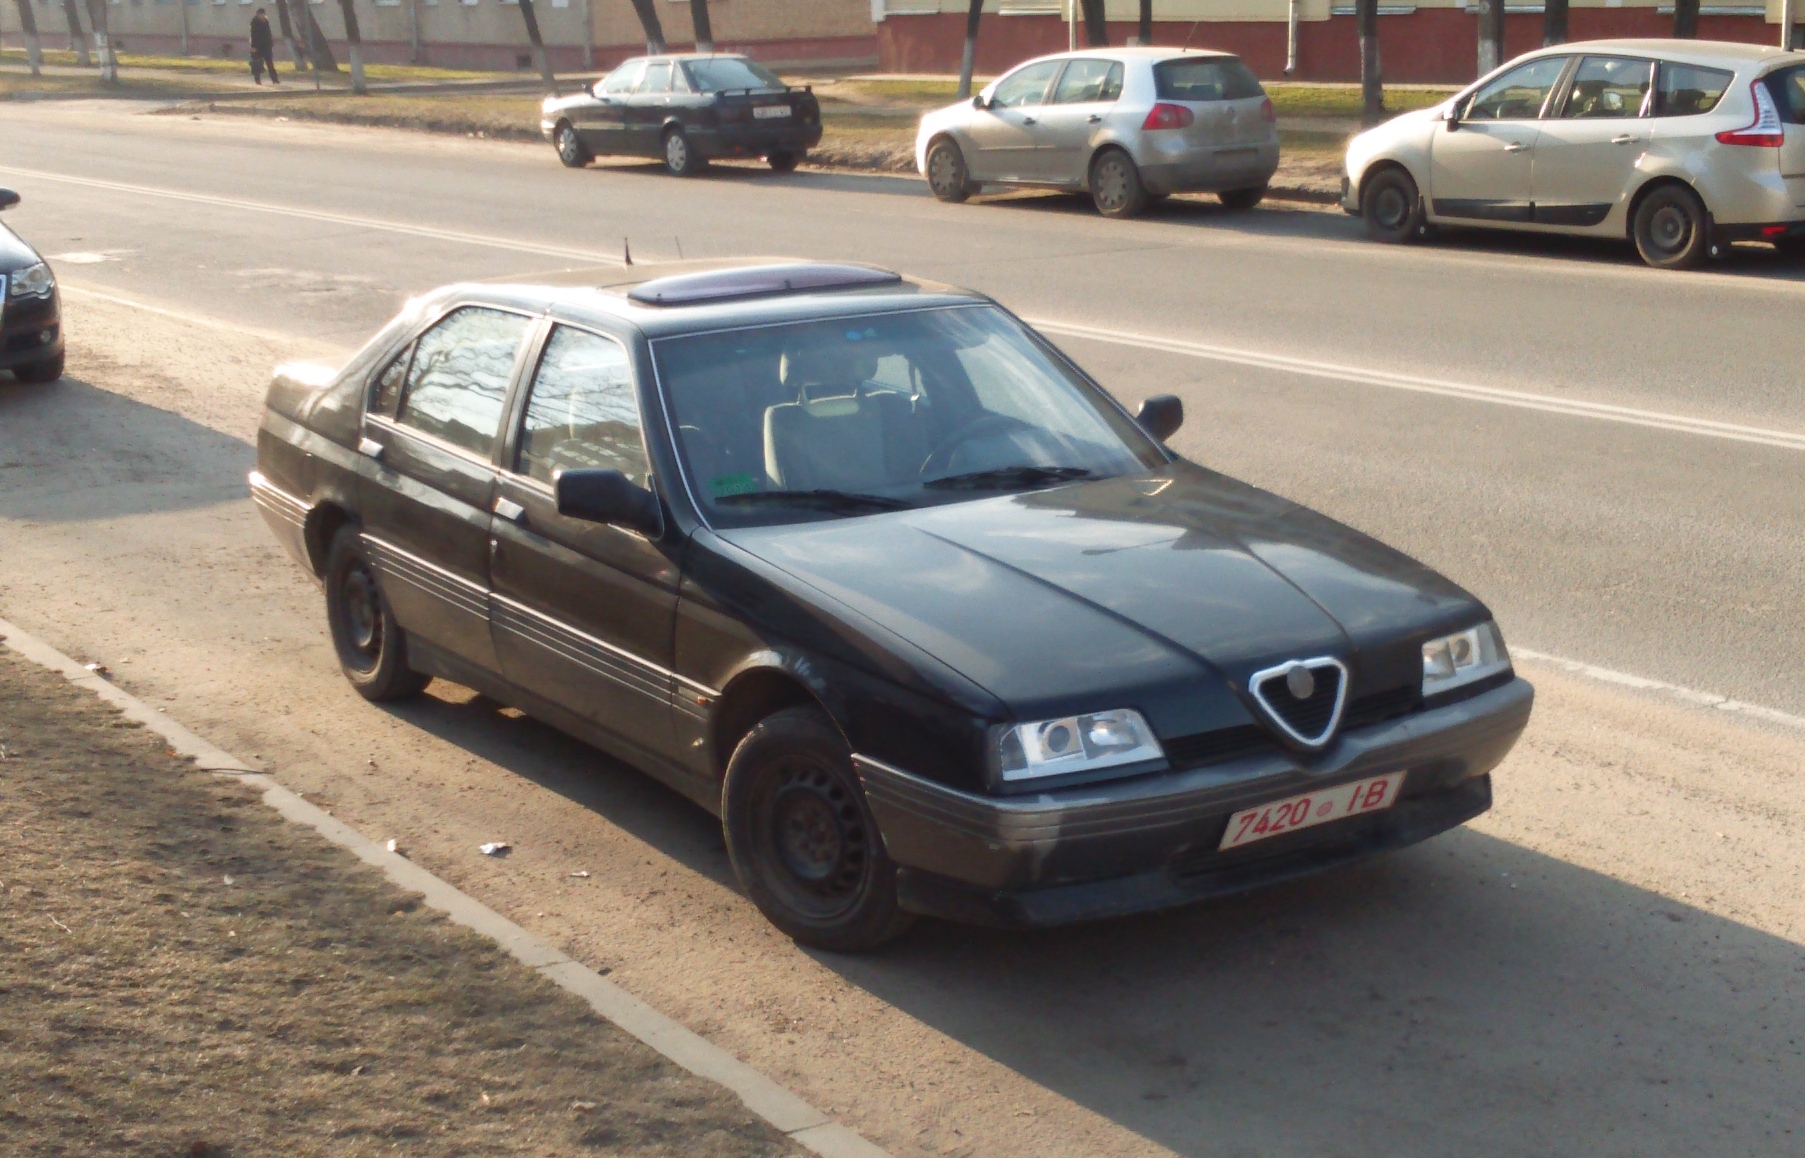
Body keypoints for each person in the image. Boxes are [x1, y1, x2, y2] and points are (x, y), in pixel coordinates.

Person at [249, 9, 279, 86]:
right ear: (258, 15)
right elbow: (253, 35)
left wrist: (271, 43)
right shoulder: (254, 23)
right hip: (258, 46)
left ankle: (275, 79)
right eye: (261, 14)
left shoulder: (266, 22)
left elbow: (269, 33)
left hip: (267, 46)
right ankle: (257, 80)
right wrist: (253, 46)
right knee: (257, 64)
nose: (263, 16)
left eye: (263, 14)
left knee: (270, 63)